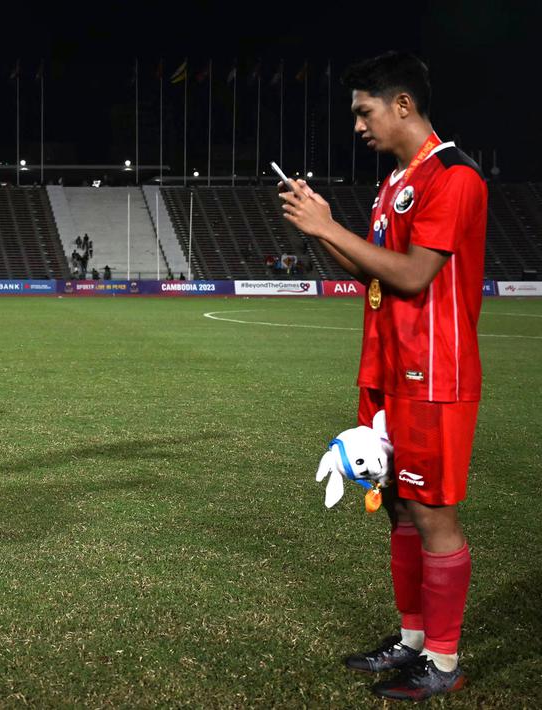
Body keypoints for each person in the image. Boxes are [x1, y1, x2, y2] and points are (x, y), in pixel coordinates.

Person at [280, 51, 485, 701]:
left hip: (434, 373)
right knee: (397, 507)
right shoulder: (395, 179)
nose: (357, 125)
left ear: (401, 104)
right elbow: (371, 273)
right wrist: (320, 230)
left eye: (362, 111)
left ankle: (444, 664)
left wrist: (327, 225)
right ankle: (412, 638)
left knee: (432, 516)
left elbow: (413, 274)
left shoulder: (451, 177)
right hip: (387, 370)